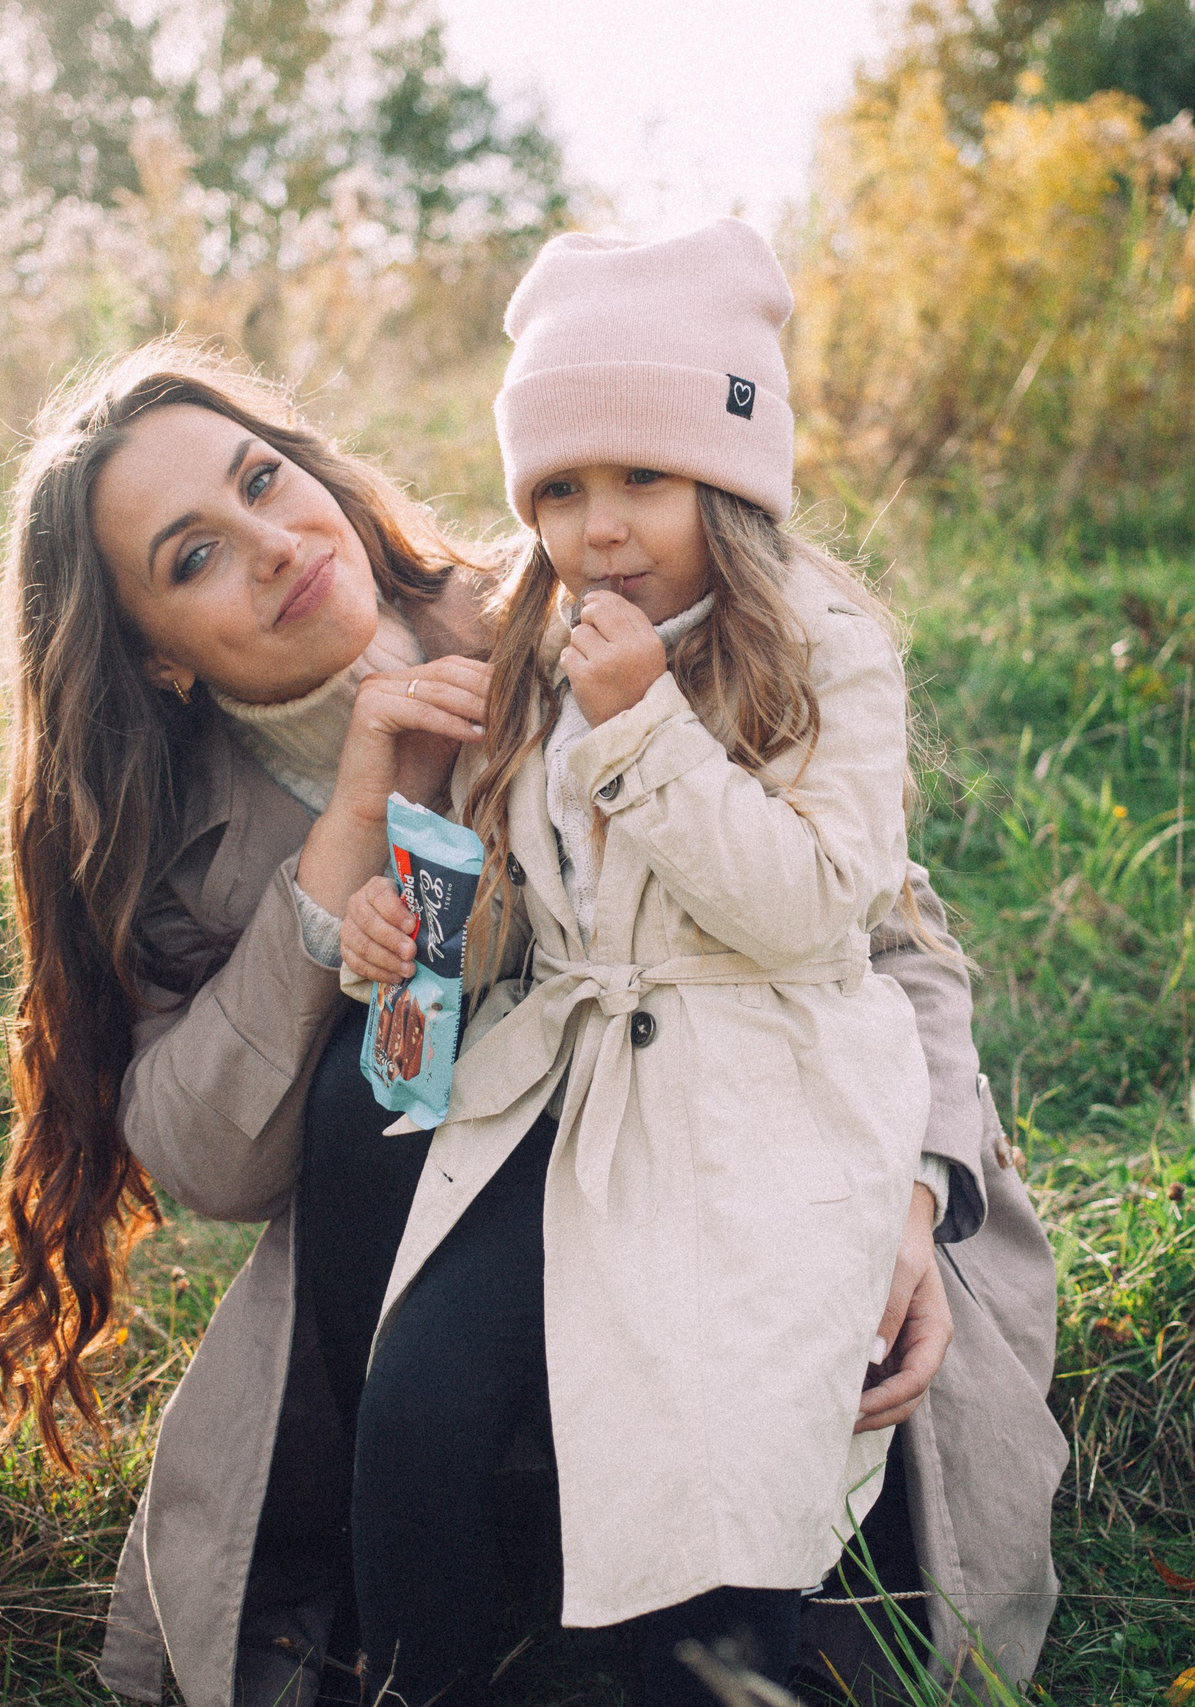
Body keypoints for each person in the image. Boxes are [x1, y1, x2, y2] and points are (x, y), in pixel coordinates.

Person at [0, 334, 1065, 1707]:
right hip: (442, 1260)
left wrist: (914, 1195)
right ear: (153, 657)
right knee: (355, 1107)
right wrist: (350, 840)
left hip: (742, 1174)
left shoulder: (564, 612)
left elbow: (882, 935)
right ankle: (448, 1599)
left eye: (264, 479)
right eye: (191, 557)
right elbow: (214, 1160)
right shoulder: (165, 826)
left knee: (849, 1611)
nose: (268, 545)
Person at [333, 215, 950, 1707]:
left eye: (641, 479)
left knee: (721, 1435)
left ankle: (706, 1669)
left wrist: (645, 732)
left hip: (765, 1095)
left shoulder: (827, 646)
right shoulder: (540, 645)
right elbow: (527, 922)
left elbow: (812, 913)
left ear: (727, 477)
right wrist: (402, 938)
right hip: (570, 1087)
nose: (599, 527)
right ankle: (424, 1677)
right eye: (558, 489)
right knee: (418, 1395)